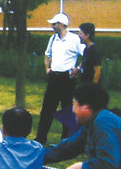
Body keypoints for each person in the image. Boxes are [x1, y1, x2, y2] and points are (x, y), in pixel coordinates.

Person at [34, 13, 85, 145]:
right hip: (54, 78)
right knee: (47, 109)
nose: (52, 26)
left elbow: (86, 55)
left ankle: (66, 139)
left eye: (54, 24)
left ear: (62, 24)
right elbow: (47, 55)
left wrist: (78, 69)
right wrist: (47, 68)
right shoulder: (53, 39)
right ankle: (40, 138)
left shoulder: (75, 39)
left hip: (67, 79)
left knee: (67, 109)